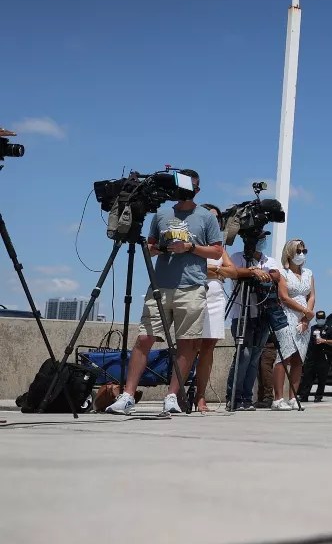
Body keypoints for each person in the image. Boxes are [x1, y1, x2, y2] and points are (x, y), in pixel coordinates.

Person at [105, 169, 224, 415]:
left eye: (191, 186)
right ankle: (128, 395)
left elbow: (216, 252)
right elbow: (147, 248)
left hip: (191, 287)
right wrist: (162, 247)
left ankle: (172, 396)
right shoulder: (161, 213)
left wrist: (189, 247)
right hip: (160, 285)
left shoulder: (206, 217)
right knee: (144, 338)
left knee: (187, 344)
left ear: (198, 190)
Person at [224, 233, 283, 411]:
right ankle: (233, 396)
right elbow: (234, 273)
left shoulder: (269, 260)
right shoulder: (237, 257)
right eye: (258, 237)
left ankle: (246, 398)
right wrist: (252, 272)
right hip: (242, 313)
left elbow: (275, 275)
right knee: (244, 355)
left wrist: (261, 273)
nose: (261, 241)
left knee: (255, 356)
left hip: (262, 313)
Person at [196, 204, 236, 413]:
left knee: (208, 348)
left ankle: (200, 396)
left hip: (215, 297)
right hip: (194, 294)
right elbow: (196, 268)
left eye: (217, 218)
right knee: (189, 345)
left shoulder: (219, 247)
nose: (214, 221)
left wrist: (215, 269)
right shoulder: (191, 242)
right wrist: (216, 271)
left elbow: (232, 271)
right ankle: (178, 393)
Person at [270, 239, 315, 411]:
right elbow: (284, 297)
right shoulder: (282, 273)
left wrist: (307, 316)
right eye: (298, 251)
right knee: (284, 356)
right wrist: (304, 310)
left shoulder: (309, 273)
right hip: (287, 315)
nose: (301, 254)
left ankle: (293, 397)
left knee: (298, 359)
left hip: (304, 317)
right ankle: (278, 398)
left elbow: (311, 295)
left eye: (304, 251)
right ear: (290, 253)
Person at [298, 310, 332, 402]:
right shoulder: (312, 328)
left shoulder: (329, 329)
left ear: (325, 319)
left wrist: (325, 341)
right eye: (319, 319)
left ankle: (318, 396)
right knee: (308, 377)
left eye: (322, 318)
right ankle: (304, 396)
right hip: (312, 356)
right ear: (316, 319)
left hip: (324, 356)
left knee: (322, 378)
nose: (320, 320)